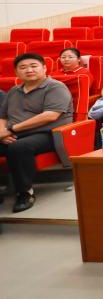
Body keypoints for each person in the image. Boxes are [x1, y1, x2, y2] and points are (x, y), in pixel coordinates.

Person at [0, 53, 73, 212]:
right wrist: (2, 132)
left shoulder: (55, 87)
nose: (29, 70)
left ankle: (25, 193)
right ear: (16, 72)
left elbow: (50, 115)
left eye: (34, 66)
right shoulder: (14, 91)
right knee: (14, 144)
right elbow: (3, 116)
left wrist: (11, 130)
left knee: (19, 147)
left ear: (44, 68)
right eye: (23, 67)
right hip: (14, 133)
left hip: (47, 133)